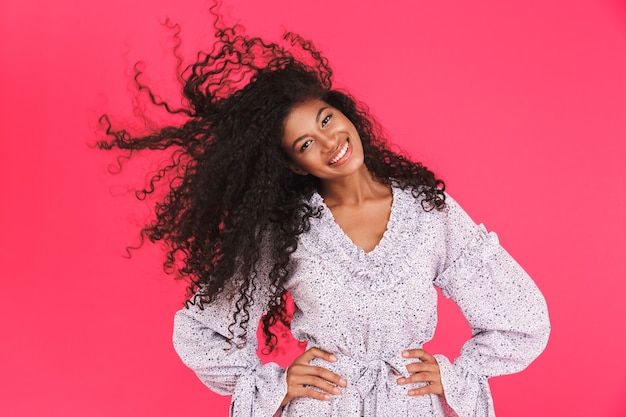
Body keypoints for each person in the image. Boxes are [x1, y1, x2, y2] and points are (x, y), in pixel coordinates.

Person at [99, 10, 550, 417]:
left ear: (343, 112)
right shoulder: (285, 230)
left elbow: (520, 320)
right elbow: (201, 331)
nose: (329, 143)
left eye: (326, 121)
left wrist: (456, 378)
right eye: (305, 144)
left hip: (411, 407)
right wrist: (273, 385)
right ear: (296, 164)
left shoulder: (429, 213)